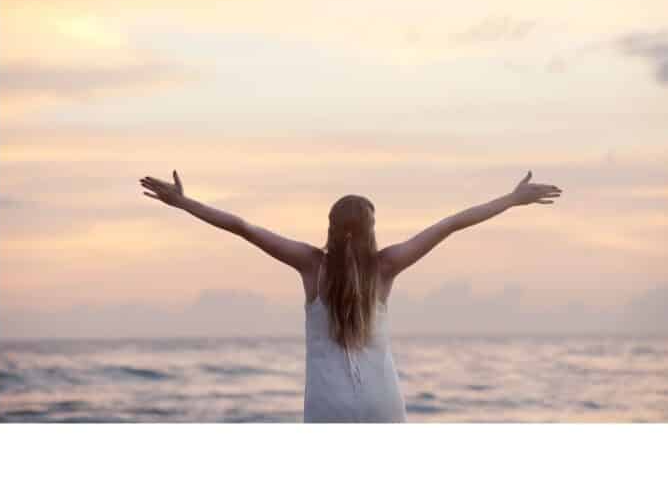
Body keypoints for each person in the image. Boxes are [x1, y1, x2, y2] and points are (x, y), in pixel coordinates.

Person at [139, 170, 562, 422]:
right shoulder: (387, 265)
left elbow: (244, 227)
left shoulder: (311, 265)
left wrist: (184, 203)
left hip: (328, 408)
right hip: (382, 403)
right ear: (372, 229)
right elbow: (451, 224)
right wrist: (511, 200)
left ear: (330, 225)